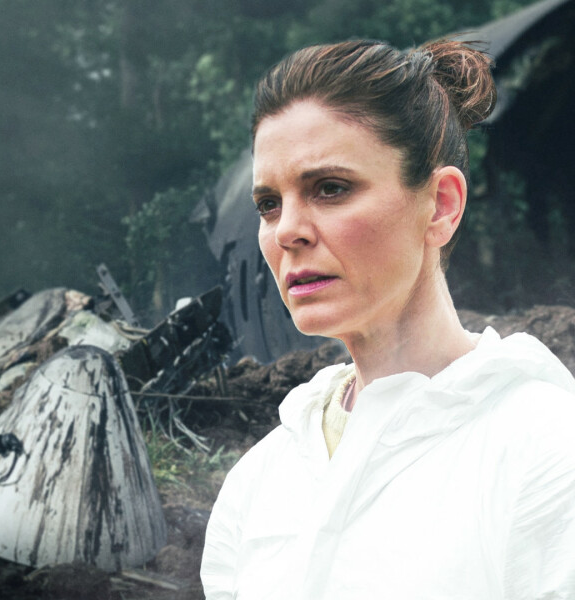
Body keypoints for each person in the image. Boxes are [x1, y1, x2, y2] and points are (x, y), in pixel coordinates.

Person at [200, 38, 575, 599]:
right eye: (269, 204)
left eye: (330, 188)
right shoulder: (259, 481)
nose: (287, 231)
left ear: (441, 204)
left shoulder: (545, 448)